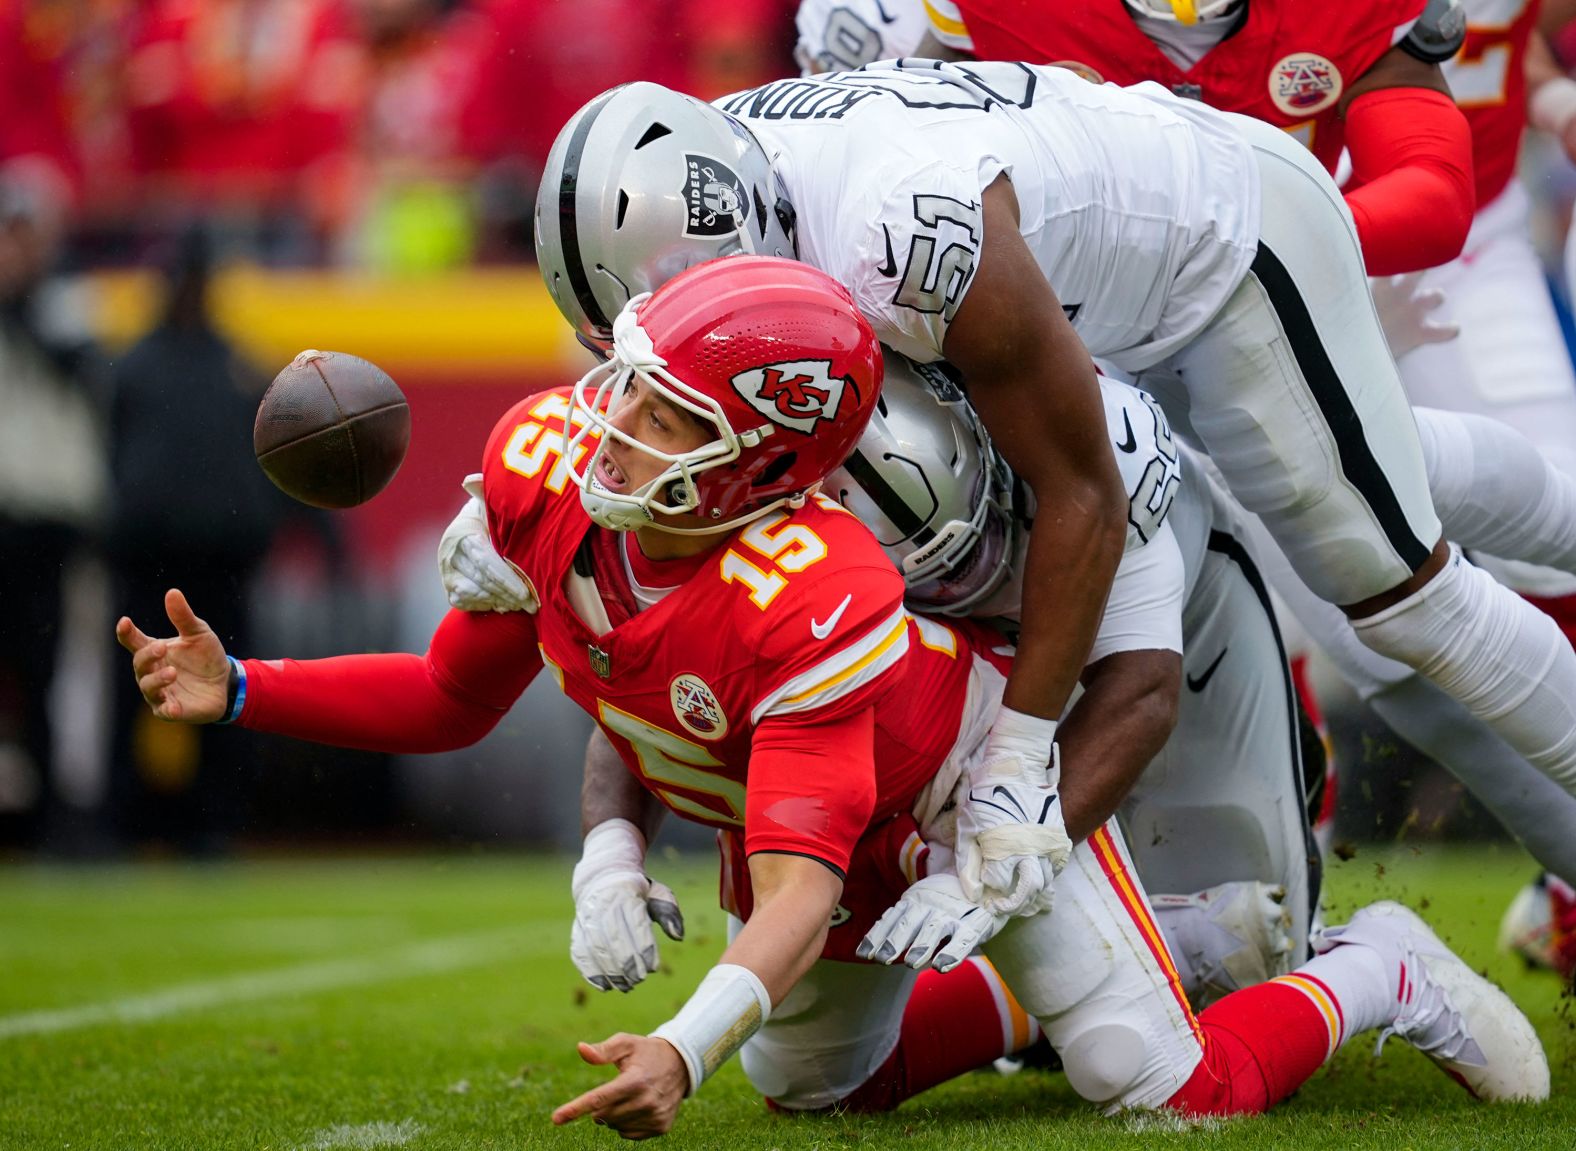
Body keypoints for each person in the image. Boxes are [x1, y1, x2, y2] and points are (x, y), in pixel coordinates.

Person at [119, 255, 1546, 1135]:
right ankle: (1143, 951)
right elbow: (451, 691)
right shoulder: (552, 471)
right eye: (629, 381)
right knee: (817, 1085)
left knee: (1160, 1082)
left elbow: (802, 890)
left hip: (946, 795)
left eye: (669, 412)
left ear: (761, 463)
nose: (615, 421)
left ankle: (1381, 967)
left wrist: (681, 1042)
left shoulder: (806, 596)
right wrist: (241, 683)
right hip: (802, 810)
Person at [535, 63, 1576, 937]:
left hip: (1218, 251)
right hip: (1088, 297)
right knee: (1380, 470)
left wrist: (1021, 763)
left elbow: (1083, 486)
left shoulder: (896, 233)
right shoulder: (736, 176)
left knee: (1390, 587)